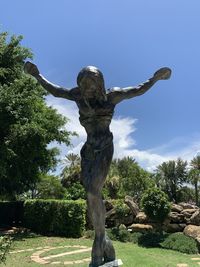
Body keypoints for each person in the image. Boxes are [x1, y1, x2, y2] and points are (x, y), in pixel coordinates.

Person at [24, 62, 171, 267]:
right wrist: (37, 76)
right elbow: (56, 91)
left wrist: (155, 79)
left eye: (92, 83)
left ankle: (98, 241)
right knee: (90, 195)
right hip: (88, 150)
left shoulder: (113, 96)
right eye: (84, 83)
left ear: (99, 83)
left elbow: (137, 90)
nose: (88, 88)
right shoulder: (77, 97)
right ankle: (105, 244)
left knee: (94, 191)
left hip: (104, 147)